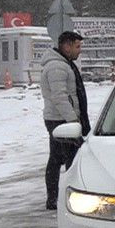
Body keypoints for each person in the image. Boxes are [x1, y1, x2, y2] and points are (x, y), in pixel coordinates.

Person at [41, 31, 89, 210]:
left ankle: (54, 198)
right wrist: (73, 120)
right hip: (60, 120)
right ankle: (62, 198)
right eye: (77, 46)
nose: (79, 51)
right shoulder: (57, 67)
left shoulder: (63, 64)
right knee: (69, 158)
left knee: (58, 158)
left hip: (61, 119)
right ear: (66, 46)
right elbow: (59, 97)